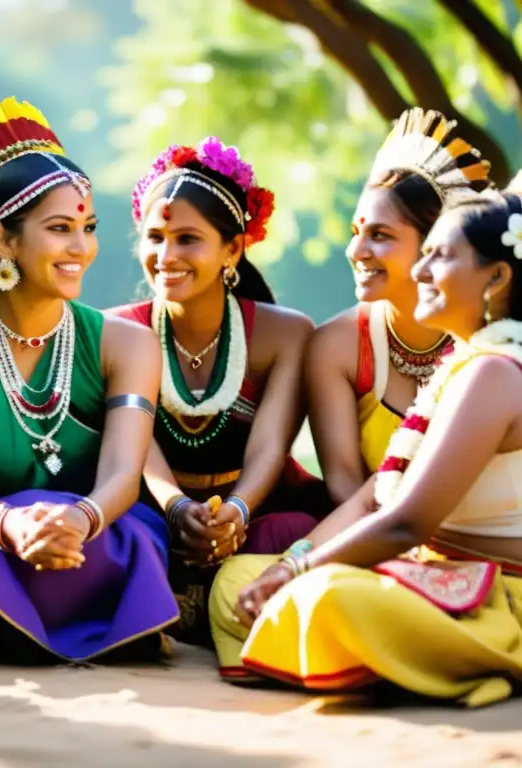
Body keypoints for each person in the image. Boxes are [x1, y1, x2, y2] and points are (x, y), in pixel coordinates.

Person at [207, 127, 522, 705]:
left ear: (496, 277)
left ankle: (328, 642)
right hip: (447, 585)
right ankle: (332, 642)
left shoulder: (494, 373)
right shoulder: (465, 366)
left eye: (439, 256)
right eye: (423, 256)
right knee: (237, 582)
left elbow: (406, 524)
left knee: (328, 596)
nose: (423, 271)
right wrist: (292, 561)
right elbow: (375, 494)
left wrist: (300, 574)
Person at [0, 98, 178, 664]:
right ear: (3, 239)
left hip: (97, 536)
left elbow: (123, 474)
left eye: (88, 228)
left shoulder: (128, 342)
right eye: (60, 229)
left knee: (130, 539)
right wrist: (12, 525)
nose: (81, 248)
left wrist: (78, 517)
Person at [108, 138, 329, 646]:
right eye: (155, 236)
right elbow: (136, 448)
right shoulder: (117, 332)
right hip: (153, 503)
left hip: (252, 507)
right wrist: (178, 510)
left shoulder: (286, 334)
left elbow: (272, 447)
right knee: (131, 535)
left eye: (188, 238)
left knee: (289, 533)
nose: (167, 255)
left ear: (233, 248)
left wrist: (237, 514)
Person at [306, 108, 491, 507]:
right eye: (356, 232)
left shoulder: (486, 344)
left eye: (379, 234)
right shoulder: (337, 346)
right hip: (370, 537)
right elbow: (344, 485)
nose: (355, 251)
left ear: (434, 244)